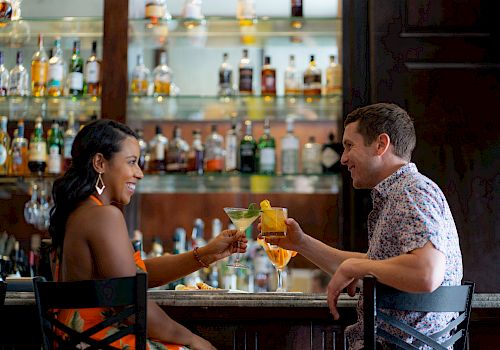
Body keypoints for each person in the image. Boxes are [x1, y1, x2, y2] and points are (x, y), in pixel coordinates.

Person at [264, 103, 463, 349]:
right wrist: (301, 243)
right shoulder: (402, 192)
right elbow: (378, 267)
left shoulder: (411, 191)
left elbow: (426, 273)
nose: (344, 158)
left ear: (381, 144)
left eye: (349, 146)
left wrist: (357, 266)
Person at [49, 119, 247, 350]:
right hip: (99, 340)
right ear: (100, 163)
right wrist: (192, 339)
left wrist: (206, 254)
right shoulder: (104, 216)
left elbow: (133, 277)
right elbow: (131, 303)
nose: (139, 173)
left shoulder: (79, 212)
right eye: (132, 162)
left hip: (74, 340)